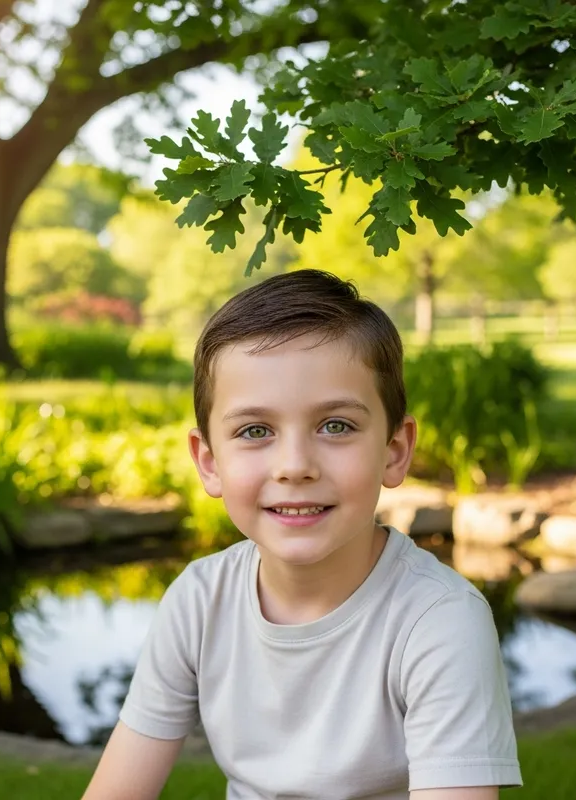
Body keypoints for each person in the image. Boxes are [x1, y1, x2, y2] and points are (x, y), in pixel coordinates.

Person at [81, 269, 522, 800]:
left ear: (395, 450)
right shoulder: (199, 602)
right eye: (255, 431)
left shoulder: (440, 622)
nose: (295, 466)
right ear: (209, 461)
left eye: (335, 426)